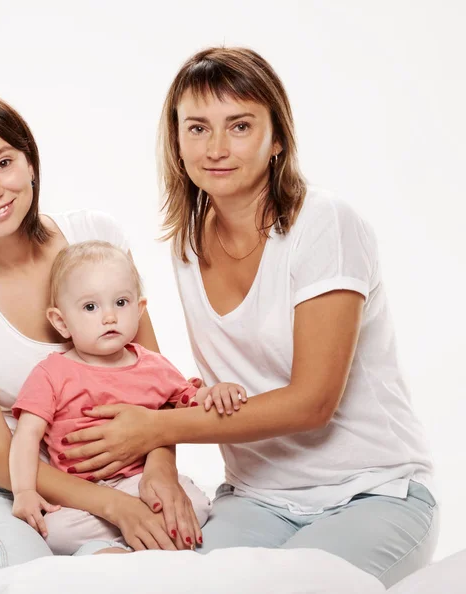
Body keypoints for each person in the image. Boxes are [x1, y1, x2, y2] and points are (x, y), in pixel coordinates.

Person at [55, 47, 439, 588]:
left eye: (239, 126)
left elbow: (313, 402)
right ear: (177, 140)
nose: (216, 148)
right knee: (176, 583)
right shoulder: (188, 243)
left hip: (372, 493)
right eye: (197, 128)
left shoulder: (324, 223)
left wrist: (155, 430)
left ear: (277, 137)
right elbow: (166, 380)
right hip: (256, 498)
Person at [0, 91, 204, 593]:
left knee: (178, 563)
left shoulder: (95, 236)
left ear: (30, 161)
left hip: (123, 478)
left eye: (3, 163)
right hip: (11, 493)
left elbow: (155, 384)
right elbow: (0, 459)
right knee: (38, 582)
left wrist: (162, 470)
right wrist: (115, 507)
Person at [9, 240, 243, 554]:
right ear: (62, 322)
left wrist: (215, 392)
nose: (109, 317)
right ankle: (131, 540)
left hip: (140, 481)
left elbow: (186, 401)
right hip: (81, 495)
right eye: (90, 307)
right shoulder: (51, 373)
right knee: (53, 532)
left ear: (139, 309)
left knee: (197, 503)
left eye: (120, 303)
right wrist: (23, 490)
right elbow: (26, 436)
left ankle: (132, 541)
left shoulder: (153, 366)